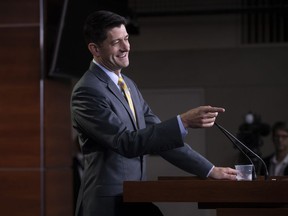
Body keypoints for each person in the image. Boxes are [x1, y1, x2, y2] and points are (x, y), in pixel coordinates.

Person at [71, 10, 237, 216]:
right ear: (95, 49)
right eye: (116, 43)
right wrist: (183, 121)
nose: (126, 47)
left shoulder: (128, 85)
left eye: (126, 39)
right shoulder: (87, 90)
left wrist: (209, 170)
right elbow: (125, 142)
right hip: (106, 206)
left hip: (134, 200)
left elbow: (160, 139)